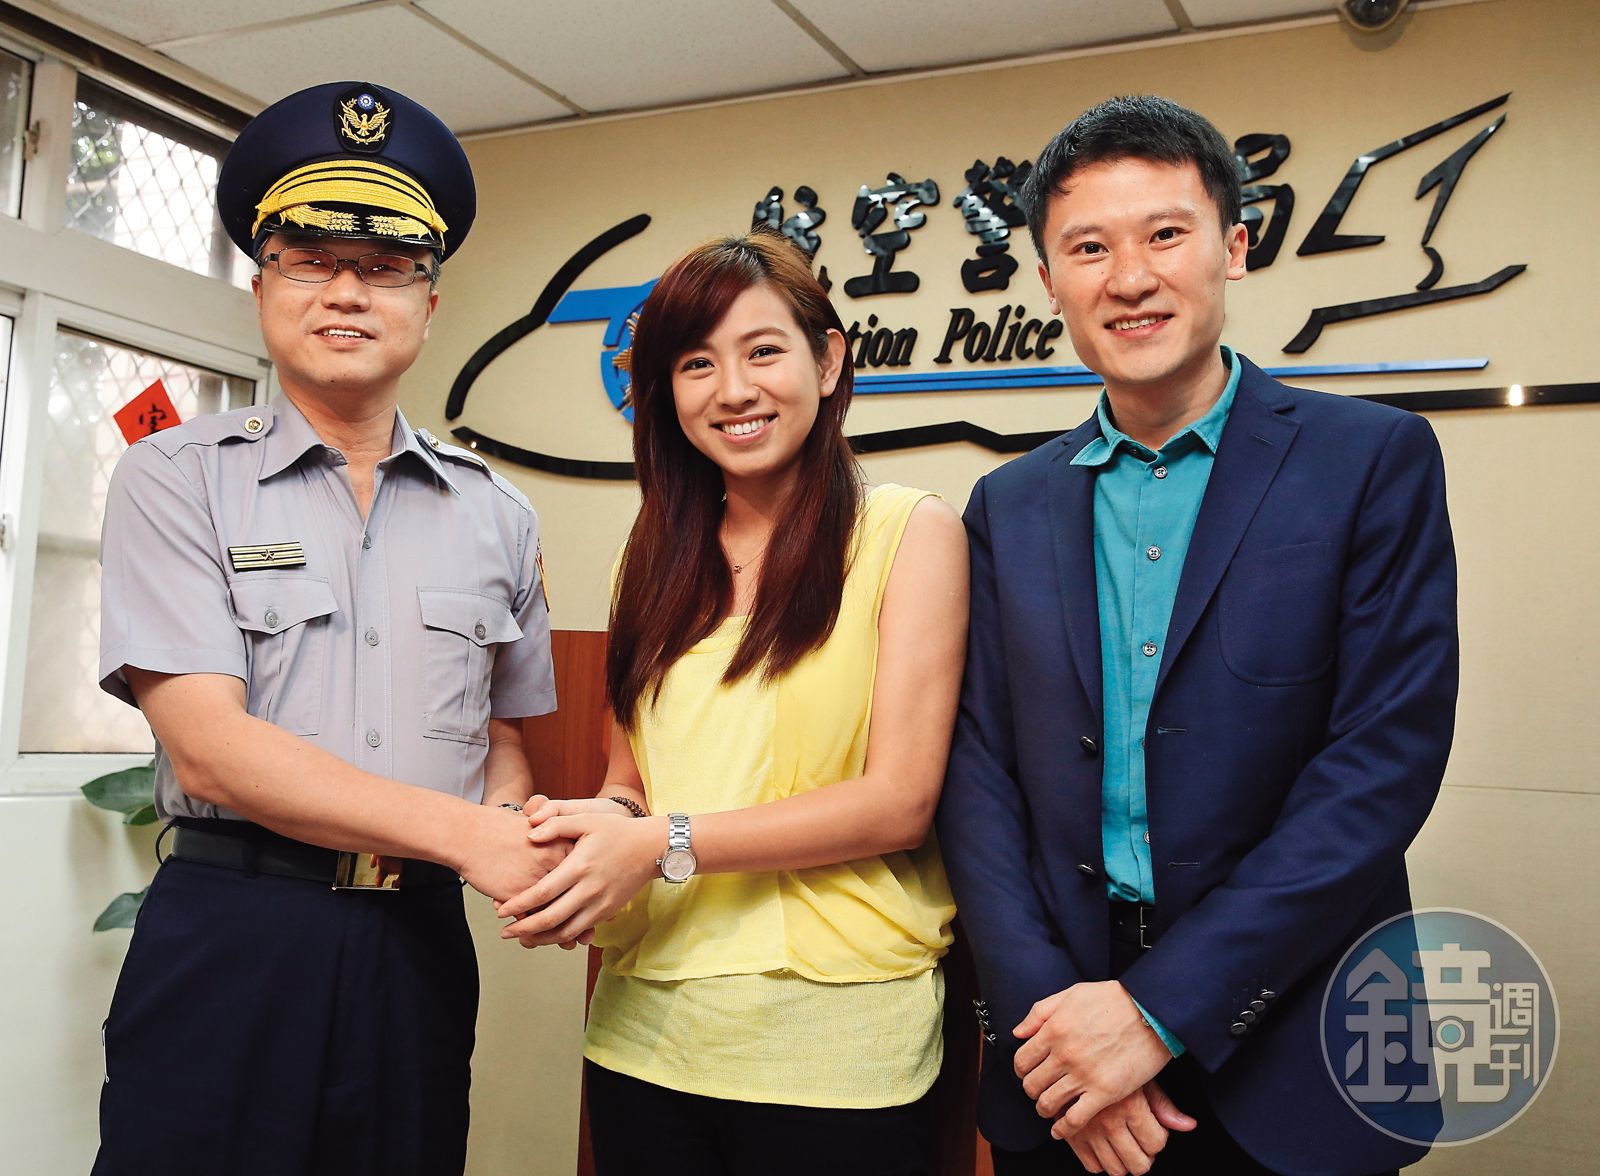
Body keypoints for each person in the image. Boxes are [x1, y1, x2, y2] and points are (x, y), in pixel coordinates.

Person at [937, 95, 1458, 1176]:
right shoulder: (1007, 503)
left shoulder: (1371, 461)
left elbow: (1379, 765)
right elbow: (975, 776)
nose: (1129, 278)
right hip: (1062, 1052)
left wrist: (1157, 1012)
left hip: (1296, 1042)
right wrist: (1058, 1026)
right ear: (1049, 281)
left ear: (1234, 246)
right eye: (1089, 248)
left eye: (1165, 234)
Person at [93, 81, 559, 1175]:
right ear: (263, 288)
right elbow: (211, 746)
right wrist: (470, 837)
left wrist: (516, 827)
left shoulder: (498, 513)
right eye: (310, 259)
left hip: (417, 944)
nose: (347, 291)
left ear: (429, 302)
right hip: (234, 933)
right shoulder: (177, 478)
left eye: (386, 265)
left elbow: (503, 737)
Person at [495, 229, 968, 1175]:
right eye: (697, 364)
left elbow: (899, 803)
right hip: (644, 1032)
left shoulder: (908, 533)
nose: (734, 390)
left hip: (835, 1046)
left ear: (826, 362)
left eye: (762, 351)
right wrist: (597, 831)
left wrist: (658, 844)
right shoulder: (651, 555)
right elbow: (631, 779)